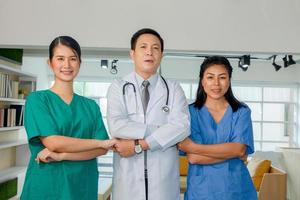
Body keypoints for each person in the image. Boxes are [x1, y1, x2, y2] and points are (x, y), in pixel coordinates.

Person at [21, 36, 116, 200]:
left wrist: (62, 156)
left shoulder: (90, 106)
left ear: (80, 63)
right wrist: (100, 142)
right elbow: (53, 142)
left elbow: (100, 151)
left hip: (82, 185)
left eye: (73, 59)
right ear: (50, 63)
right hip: (47, 186)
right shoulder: (37, 100)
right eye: (60, 59)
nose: (67, 65)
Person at [107, 28, 190, 200]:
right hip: (128, 181)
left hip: (163, 183)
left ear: (161, 55)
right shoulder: (118, 87)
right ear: (132, 54)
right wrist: (163, 130)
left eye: (155, 48)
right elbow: (117, 126)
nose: (149, 52)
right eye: (143, 47)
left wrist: (141, 144)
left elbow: (182, 127)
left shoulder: (173, 88)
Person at [178, 56, 257, 200]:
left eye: (222, 77)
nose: (216, 83)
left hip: (237, 190)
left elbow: (239, 149)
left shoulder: (241, 111)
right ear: (202, 81)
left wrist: (193, 147)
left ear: (229, 81)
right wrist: (231, 152)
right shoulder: (190, 113)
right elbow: (194, 159)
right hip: (201, 191)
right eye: (210, 77)